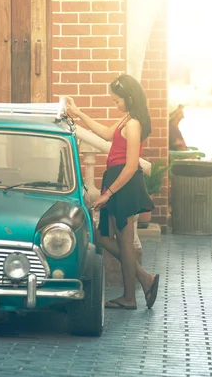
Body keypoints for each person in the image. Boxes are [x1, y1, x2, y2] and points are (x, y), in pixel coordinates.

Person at [64, 74, 160, 310]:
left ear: (129, 97)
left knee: (123, 241)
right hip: (117, 182)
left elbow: (131, 165)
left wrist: (108, 193)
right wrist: (80, 114)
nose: (114, 104)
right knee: (103, 236)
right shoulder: (127, 119)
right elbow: (106, 134)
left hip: (124, 185)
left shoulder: (134, 123)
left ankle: (130, 297)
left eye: (116, 100)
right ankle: (144, 279)